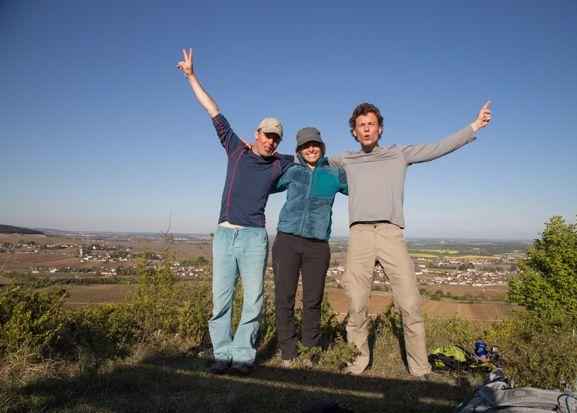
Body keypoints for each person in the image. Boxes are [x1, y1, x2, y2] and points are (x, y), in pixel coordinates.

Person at [329, 101, 492, 379]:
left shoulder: (398, 154)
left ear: (379, 129)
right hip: (359, 235)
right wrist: (263, 153)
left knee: (410, 302)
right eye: (360, 126)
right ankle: (357, 363)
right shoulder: (345, 159)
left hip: (391, 233)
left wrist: (474, 126)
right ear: (354, 133)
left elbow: (436, 148)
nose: (366, 129)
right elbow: (310, 160)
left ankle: (419, 368)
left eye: (370, 125)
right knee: (356, 302)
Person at [177, 48, 294, 376]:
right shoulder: (235, 149)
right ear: (256, 134)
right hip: (225, 235)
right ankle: (221, 355)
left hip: (255, 237)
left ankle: (243, 357)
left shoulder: (280, 165)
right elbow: (213, 109)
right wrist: (191, 76)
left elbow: (309, 159)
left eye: (275, 138)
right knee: (222, 299)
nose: (270, 141)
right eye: (266, 135)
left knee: (253, 300)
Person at [270, 127, 348, 367]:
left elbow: (361, 191)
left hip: (318, 246)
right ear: (299, 151)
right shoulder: (292, 171)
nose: (311, 149)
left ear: (322, 147)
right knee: (285, 298)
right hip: (287, 241)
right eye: (305, 146)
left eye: (314, 144)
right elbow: (267, 184)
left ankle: (311, 348)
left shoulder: (335, 174)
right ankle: (288, 351)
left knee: (313, 300)